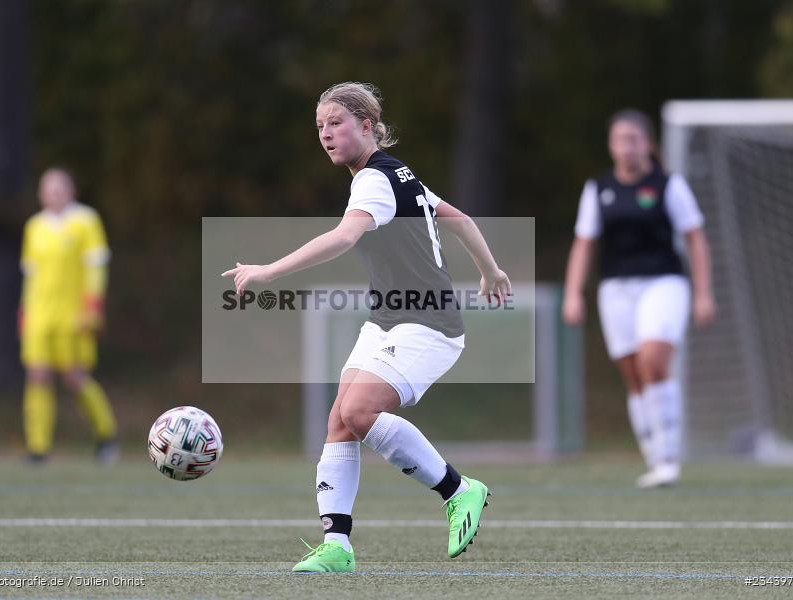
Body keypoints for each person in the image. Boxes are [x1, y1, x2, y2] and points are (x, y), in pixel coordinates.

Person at [222, 82, 510, 573]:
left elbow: (343, 237)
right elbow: (458, 218)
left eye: (336, 123)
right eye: (320, 126)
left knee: (358, 410)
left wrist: (269, 271)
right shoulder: (398, 173)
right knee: (341, 419)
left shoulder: (375, 179)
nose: (326, 134)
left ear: (367, 126)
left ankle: (459, 490)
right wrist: (491, 270)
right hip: (389, 320)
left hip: (428, 324)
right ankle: (337, 545)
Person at [562, 109, 715, 488]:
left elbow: (695, 238)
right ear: (611, 145)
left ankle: (669, 457)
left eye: (633, 139)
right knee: (633, 373)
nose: (626, 147)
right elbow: (584, 243)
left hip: (663, 283)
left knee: (654, 360)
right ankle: (653, 453)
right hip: (616, 290)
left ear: (648, 144)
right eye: (620, 140)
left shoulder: (668, 185)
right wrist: (573, 293)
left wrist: (703, 293)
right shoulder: (598, 188)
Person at [19, 167, 118, 464]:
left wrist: (93, 307)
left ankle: (106, 434)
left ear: (71, 190)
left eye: (59, 188)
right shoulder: (34, 226)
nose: (54, 193)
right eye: (48, 189)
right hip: (39, 314)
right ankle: (37, 448)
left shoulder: (86, 221)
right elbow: (30, 275)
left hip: (73, 314)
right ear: (41, 194)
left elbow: (96, 267)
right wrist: (24, 310)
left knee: (75, 378)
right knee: (37, 375)